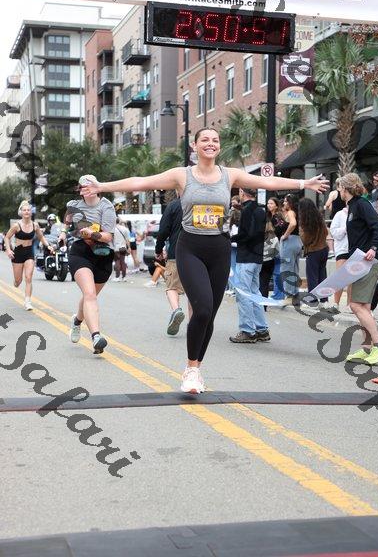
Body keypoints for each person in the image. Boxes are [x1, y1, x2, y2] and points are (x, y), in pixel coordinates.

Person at [80, 127, 328, 393]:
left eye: (215, 140)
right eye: (205, 140)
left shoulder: (229, 175)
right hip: (190, 248)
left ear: (218, 146)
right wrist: (102, 187)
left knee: (209, 316)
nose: (211, 144)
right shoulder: (182, 175)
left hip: (219, 249)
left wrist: (304, 184)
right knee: (202, 309)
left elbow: (267, 182)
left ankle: (196, 368)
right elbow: (142, 182)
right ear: (195, 146)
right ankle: (190, 368)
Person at [58, 174, 116, 354]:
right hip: (80, 252)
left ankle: (77, 321)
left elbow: (108, 236)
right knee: (89, 294)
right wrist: (63, 233)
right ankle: (96, 337)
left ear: (96, 187)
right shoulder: (73, 205)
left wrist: (92, 234)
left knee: (89, 296)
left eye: (89, 185)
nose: (86, 189)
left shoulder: (106, 206)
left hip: (102, 254)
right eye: (83, 186)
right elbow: (67, 221)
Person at [337, 173, 378, 364]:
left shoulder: (361, 204)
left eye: (339, 187)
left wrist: (373, 248)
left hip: (368, 260)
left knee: (356, 305)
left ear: (345, 188)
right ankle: (367, 348)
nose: (338, 191)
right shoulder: (353, 206)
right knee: (363, 306)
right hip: (359, 260)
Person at [229, 187, 269, 343]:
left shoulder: (246, 211)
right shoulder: (260, 210)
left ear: (242, 193)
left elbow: (247, 234)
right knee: (254, 293)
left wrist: (231, 238)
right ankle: (261, 329)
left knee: (243, 294)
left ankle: (247, 330)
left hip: (246, 256)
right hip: (257, 257)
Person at [4, 200, 55, 310]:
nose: (26, 212)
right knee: (18, 281)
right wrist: (8, 250)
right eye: (24, 210)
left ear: (31, 212)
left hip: (29, 253)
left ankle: (27, 302)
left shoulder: (35, 225)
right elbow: (7, 237)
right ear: (21, 212)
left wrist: (48, 246)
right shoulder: (16, 226)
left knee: (28, 277)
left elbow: (41, 237)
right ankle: (16, 282)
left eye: (28, 210)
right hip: (18, 253)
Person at [154, 196, 191, 335]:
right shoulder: (200, 203)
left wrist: (158, 249)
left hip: (176, 252)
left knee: (171, 286)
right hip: (198, 255)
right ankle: (193, 325)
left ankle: (176, 310)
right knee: (193, 291)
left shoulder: (173, 206)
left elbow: (163, 230)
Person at [298, 198, 329, 307]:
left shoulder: (305, 222)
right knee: (322, 275)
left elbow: (305, 240)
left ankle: (312, 301)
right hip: (324, 248)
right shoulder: (320, 218)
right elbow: (326, 232)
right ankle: (324, 300)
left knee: (312, 276)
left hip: (313, 250)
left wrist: (301, 232)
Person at [280, 194, 303, 305]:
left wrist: (285, 235)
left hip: (289, 242)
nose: (284, 203)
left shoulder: (290, 212)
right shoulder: (298, 213)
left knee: (286, 268)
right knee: (294, 269)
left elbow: (293, 223)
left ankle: (289, 295)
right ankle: (295, 295)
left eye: (285, 201)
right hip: (297, 241)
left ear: (290, 203)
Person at [329, 205, 351, 312]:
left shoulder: (359, 214)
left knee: (352, 278)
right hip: (342, 249)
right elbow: (334, 232)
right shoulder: (339, 214)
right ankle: (335, 303)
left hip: (355, 248)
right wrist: (346, 229)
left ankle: (349, 304)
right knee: (340, 277)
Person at [267, 197, 286, 300]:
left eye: (271, 203)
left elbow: (280, 228)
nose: (269, 205)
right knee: (276, 270)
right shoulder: (271, 216)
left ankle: (278, 294)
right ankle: (277, 293)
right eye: (268, 203)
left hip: (277, 245)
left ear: (276, 205)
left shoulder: (277, 216)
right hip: (273, 245)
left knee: (277, 270)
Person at [259, 218, 279, 308]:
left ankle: (257, 303)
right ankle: (264, 305)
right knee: (265, 283)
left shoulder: (257, 236)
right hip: (269, 262)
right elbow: (277, 251)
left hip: (259, 261)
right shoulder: (274, 237)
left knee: (257, 283)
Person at [112, 217, 130, 282]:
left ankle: (117, 277)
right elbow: (127, 240)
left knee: (117, 262)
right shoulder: (125, 229)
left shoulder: (112, 229)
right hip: (123, 247)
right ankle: (124, 277)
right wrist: (129, 247)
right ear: (119, 221)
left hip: (116, 247)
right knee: (123, 262)